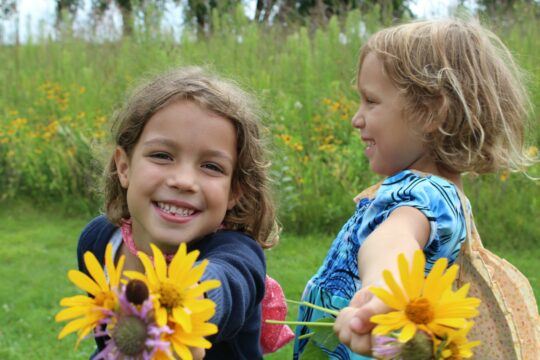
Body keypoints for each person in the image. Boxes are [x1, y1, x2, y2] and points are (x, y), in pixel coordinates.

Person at [293, 18, 534, 359]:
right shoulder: (443, 195)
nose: (356, 118)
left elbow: (393, 241)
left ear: (430, 112)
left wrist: (380, 291)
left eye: (371, 101)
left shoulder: (425, 195)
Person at [77, 67, 279, 359]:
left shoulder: (237, 253)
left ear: (235, 191)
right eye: (162, 156)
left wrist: (187, 300)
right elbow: (109, 340)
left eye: (211, 166)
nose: (183, 181)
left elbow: (230, 283)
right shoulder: (99, 243)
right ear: (124, 167)